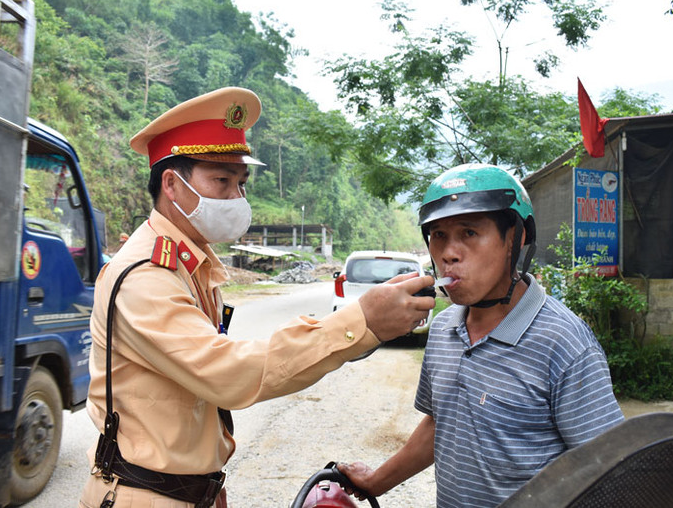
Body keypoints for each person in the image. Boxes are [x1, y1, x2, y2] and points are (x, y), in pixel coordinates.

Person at [78, 87, 436, 508]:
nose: (237, 198)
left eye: (241, 183)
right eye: (222, 181)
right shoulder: (146, 277)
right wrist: (362, 322)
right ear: (172, 185)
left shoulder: (188, 266)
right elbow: (228, 373)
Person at [339, 163, 625, 507]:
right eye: (438, 235)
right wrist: (376, 481)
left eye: (469, 233)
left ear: (515, 239)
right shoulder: (445, 328)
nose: (448, 253)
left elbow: (611, 469)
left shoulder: (564, 343)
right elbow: (442, 423)